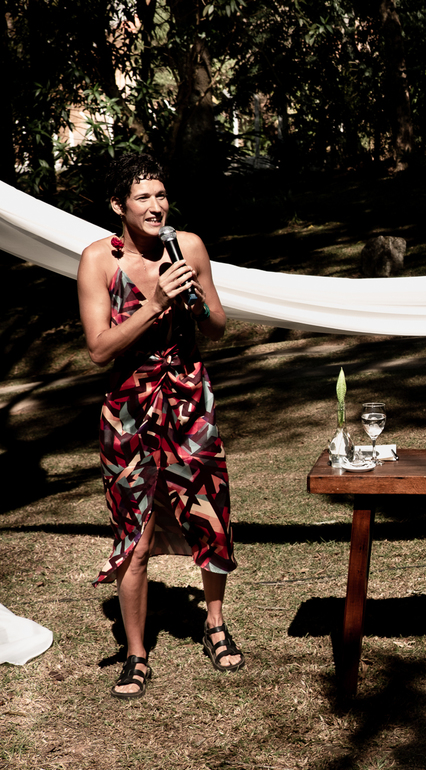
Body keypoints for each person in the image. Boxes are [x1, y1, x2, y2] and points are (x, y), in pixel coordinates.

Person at [77, 154, 243, 699]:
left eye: (161, 195)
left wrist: (196, 305)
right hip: (127, 408)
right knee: (135, 532)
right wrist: (153, 304)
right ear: (118, 206)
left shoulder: (187, 247)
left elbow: (218, 327)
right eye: (143, 197)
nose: (156, 206)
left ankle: (215, 624)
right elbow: (99, 349)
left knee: (209, 512)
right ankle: (136, 653)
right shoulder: (97, 260)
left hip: (189, 399)